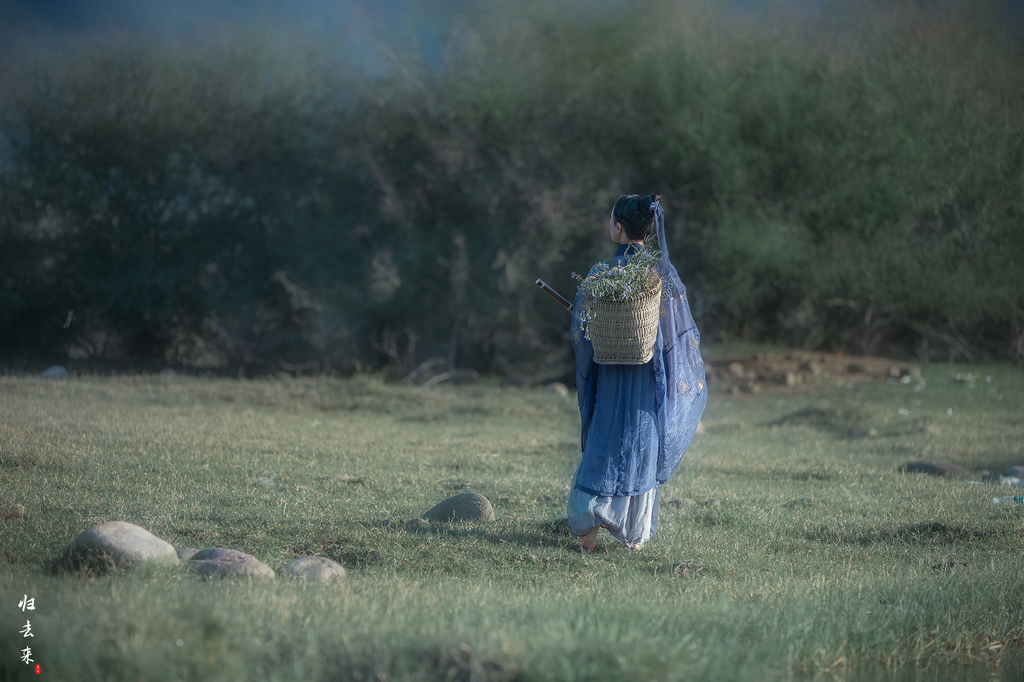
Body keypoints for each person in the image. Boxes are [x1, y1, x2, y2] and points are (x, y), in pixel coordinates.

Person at [567, 192, 707, 551]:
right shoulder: (661, 275)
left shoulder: (601, 272)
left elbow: (583, 330)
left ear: (618, 227)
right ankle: (635, 536)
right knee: (640, 444)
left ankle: (588, 532)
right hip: (647, 379)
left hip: (609, 377)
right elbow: (677, 336)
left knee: (603, 440)